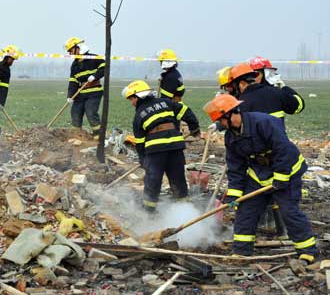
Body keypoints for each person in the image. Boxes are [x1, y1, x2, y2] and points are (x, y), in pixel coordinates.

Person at [203, 94, 317, 263]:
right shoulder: (231, 137)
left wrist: (281, 177)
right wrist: (235, 195)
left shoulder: (263, 123)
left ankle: (307, 250)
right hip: (259, 175)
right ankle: (242, 251)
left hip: (287, 171)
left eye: (222, 120)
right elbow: (236, 167)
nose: (223, 125)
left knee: (289, 211)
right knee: (245, 211)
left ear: (232, 113)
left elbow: (283, 150)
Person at [122, 80, 200, 212]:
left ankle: (149, 212)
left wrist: (143, 160)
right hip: (175, 146)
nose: (131, 103)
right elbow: (186, 112)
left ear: (138, 96)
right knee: (178, 179)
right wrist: (194, 127)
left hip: (155, 150)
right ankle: (184, 210)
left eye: (132, 99)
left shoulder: (139, 115)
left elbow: (140, 143)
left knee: (153, 181)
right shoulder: (166, 102)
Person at [229, 63, 305, 125]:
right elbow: (298, 107)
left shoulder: (238, 100)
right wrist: (284, 88)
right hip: (276, 141)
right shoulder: (277, 92)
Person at [64, 37, 105, 138]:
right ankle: (77, 136)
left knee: (91, 112)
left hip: (94, 92)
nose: (70, 54)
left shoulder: (94, 58)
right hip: (80, 93)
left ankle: (98, 137)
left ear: (78, 47)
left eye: (71, 50)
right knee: (75, 112)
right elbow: (73, 81)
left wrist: (95, 76)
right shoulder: (74, 65)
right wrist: (70, 96)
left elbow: (104, 67)